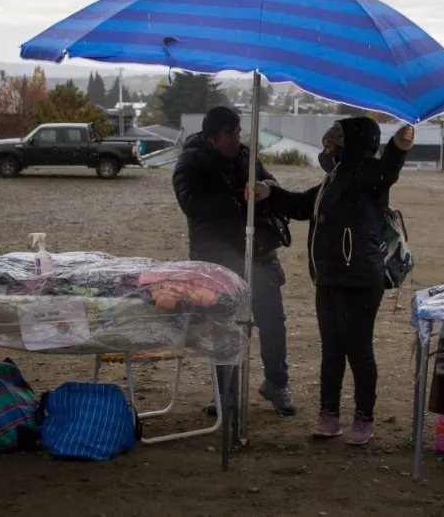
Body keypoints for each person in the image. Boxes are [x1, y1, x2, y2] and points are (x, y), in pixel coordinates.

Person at [248, 117, 414, 444]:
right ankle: (329, 414)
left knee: (358, 351)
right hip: (328, 279)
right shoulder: (332, 179)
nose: (325, 150)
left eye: (332, 143)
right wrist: (269, 193)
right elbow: (301, 205)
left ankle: (364, 417)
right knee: (332, 350)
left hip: (360, 280)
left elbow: (388, 171)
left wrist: (399, 146)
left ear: (351, 145)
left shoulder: (367, 174)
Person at [172, 106, 295, 416]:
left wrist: (266, 190)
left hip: (259, 255)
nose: (237, 139)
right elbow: (191, 203)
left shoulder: (245, 157)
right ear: (212, 137)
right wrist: (236, 199)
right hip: (217, 260)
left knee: (272, 321)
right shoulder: (190, 162)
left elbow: (272, 184)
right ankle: (224, 392)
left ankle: (276, 383)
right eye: (230, 133)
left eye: (239, 132)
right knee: (223, 325)